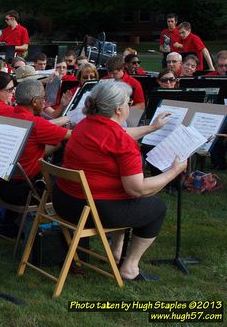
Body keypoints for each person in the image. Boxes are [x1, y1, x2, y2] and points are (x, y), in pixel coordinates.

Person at [54, 81, 187, 281]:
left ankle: (116, 252)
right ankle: (130, 267)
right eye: (128, 102)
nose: (130, 104)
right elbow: (137, 189)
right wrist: (173, 172)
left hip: (64, 203)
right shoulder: (121, 142)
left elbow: (119, 134)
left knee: (120, 192)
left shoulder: (84, 125)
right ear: (118, 110)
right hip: (93, 210)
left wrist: (152, 128)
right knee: (156, 207)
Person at [0, 75, 70, 206]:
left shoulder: (8, 115)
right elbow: (73, 136)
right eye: (43, 98)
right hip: (25, 191)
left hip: (1, 185)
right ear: (34, 102)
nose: (44, 102)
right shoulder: (36, 123)